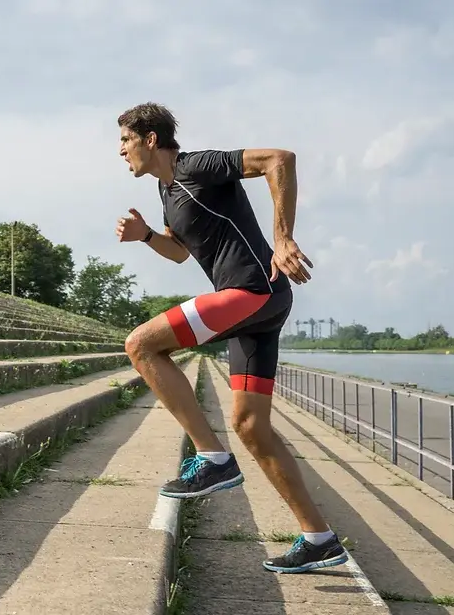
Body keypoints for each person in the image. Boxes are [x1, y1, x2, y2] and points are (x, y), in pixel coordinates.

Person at [114, 102, 348, 574]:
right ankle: (319, 538)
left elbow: (279, 159)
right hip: (259, 304)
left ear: (151, 138)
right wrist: (145, 237)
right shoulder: (166, 191)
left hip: (253, 290)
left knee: (140, 345)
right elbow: (180, 253)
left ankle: (212, 458)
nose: (121, 151)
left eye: (125, 140)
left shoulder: (196, 165)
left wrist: (283, 238)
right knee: (250, 426)